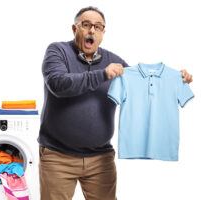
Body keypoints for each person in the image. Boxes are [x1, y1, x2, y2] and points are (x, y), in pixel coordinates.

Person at [38, 6, 193, 200]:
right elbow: (58, 84)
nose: (91, 30)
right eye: (86, 25)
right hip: (58, 157)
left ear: (103, 32)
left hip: (100, 160)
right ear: (74, 29)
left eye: (98, 26)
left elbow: (141, 89)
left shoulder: (114, 61)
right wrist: (103, 74)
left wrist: (175, 80)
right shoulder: (58, 51)